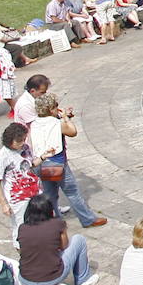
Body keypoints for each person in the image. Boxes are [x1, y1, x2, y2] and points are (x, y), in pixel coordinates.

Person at [29, 91, 107, 228]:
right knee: (72, 192)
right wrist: (66, 118)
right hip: (55, 163)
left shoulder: (35, 123)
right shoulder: (57, 123)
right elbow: (72, 131)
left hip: (40, 163)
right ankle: (87, 219)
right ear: (50, 109)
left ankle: (54, 221)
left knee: (50, 194)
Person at [16, 195, 99, 285]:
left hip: (26, 279)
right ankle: (83, 280)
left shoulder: (22, 228)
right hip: (51, 278)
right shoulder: (57, 223)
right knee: (78, 239)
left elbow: (22, 251)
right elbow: (64, 246)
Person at [0, 122, 39, 237]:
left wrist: (43, 157)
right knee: (21, 228)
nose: (23, 143)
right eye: (19, 141)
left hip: (35, 192)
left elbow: (31, 165)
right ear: (10, 141)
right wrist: (3, 204)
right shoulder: (1, 157)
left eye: (24, 139)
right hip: (18, 199)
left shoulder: (26, 148)